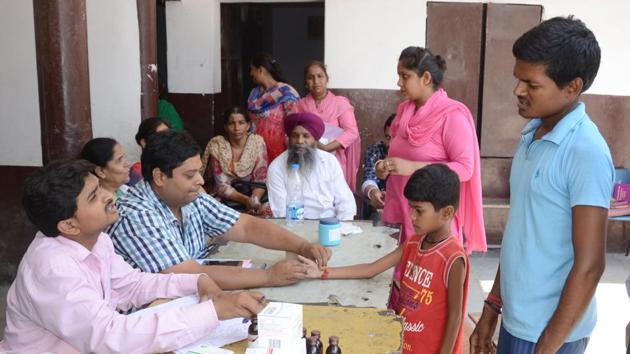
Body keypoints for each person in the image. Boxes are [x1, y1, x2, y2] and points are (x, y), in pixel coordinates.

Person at [0, 160, 265, 353]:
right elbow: (110, 336)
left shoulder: (97, 240)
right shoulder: (53, 269)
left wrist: (196, 282)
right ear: (69, 225)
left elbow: (131, 284)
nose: (109, 194)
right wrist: (213, 312)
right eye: (94, 196)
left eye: (101, 187)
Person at [470, 17, 614, 354]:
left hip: (550, 335)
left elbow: (591, 264)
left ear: (572, 87)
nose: (518, 91)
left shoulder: (585, 151)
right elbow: (522, 233)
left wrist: (547, 345)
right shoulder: (532, 136)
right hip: (518, 321)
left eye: (531, 84)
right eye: (518, 79)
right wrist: (492, 307)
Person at [108, 131, 331, 290]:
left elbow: (245, 227)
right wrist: (267, 276)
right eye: (189, 175)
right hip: (153, 314)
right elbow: (185, 275)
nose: (199, 181)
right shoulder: (136, 215)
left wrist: (302, 245)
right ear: (159, 177)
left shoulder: (189, 197)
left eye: (198, 172)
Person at [299, 164, 469, 354]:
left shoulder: (453, 258)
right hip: (403, 344)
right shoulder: (413, 243)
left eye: (419, 211)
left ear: (446, 212)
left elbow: (455, 318)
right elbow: (370, 269)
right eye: (411, 208)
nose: (412, 216)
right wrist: (322, 272)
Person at [377, 46, 486, 253]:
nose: (399, 83)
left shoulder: (452, 117)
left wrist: (412, 167)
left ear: (425, 78)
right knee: (402, 279)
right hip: (404, 210)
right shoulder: (404, 112)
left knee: (427, 280)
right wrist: (384, 167)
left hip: (432, 220)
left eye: (405, 76)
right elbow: (396, 153)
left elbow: (465, 169)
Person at [267, 112, 356, 221]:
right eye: (295, 136)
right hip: (294, 226)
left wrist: (344, 226)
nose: (300, 141)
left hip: (329, 223)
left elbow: (345, 201)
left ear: (315, 139)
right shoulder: (276, 167)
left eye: (306, 136)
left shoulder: (329, 161)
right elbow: (280, 212)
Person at [298, 61, 361, 191]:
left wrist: (326, 148)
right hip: (306, 162)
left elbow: (352, 132)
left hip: (334, 162)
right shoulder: (299, 105)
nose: (316, 81)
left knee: (332, 200)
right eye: (311, 77)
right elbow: (289, 134)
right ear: (306, 82)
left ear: (327, 79)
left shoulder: (340, 103)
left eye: (320, 76)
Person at [200, 106, 269, 214]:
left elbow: (260, 179)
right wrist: (246, 200)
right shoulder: (218, 146)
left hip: (253, 195)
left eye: (241, 123)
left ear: (248, 125)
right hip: (226, 199)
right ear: (226, 127)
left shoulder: (257, 143)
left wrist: (254, 199)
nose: (237, 128)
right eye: (232, 123)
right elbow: (221, 186)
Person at [247, 52, 300, 163]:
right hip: (255, 151)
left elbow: (295, 123)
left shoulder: (285, 92)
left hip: (281, 151)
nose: (250, 73)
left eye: (252, 69)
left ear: (260, 70)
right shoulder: (254, 94)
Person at [360, 113, 395, 219]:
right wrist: (373, 192)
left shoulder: (415, 155)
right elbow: (369, 179)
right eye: (388, 137)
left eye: (396, 138)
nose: (390, 143)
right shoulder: (377, 150)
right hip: (382, 208)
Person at [129, 116, 171, 185]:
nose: (166, 141)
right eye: (160, 137)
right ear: (144, 142)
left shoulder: (176, 166)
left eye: (168, 136)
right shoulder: (137, 172)